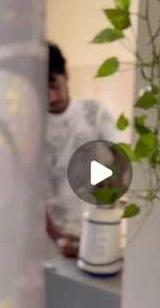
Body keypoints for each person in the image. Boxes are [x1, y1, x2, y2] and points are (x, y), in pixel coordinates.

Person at [45, 42, 119, 256]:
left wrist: (106, 176)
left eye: (54, 84)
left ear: (65, 74)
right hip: (46, 242)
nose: (51, 97)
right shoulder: (30, 126)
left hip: (89, 233)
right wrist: (57, 236)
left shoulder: (94, 112)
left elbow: (119, 160)